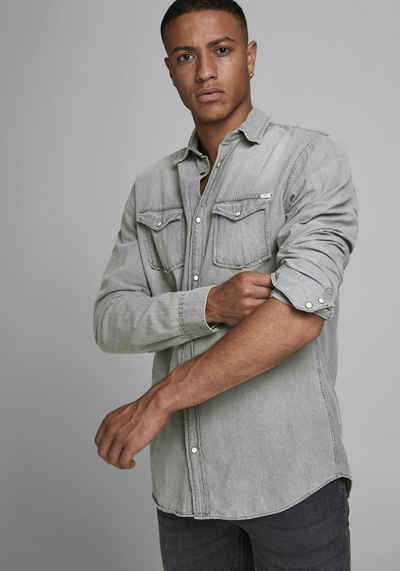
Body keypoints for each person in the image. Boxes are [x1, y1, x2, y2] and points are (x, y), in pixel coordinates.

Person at [92, 1, 359, 569]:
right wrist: (208, 305)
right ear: (170, 69)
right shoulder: (150, 188)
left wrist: (159, 400)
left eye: (222, 50)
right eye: (186, 56)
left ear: (250, 56)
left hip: (293, 487)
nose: (206, 71)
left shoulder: (308, 160)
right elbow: (111, 321)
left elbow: (299, 315)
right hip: (186, 498)